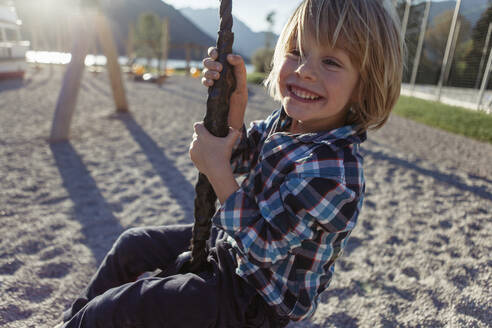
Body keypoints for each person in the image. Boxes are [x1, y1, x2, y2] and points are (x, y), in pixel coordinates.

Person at [56, 0, 403, 326]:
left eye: (331, 62)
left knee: (124, 308)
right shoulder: (288, 121)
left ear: (363, 85)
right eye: (297, 51)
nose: (304, 70)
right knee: (132, 245)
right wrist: (233, 108)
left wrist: (217, 171)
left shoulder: (336, 172)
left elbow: (265, 246)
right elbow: (241, 155)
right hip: (232, 250)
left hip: (256, 299)